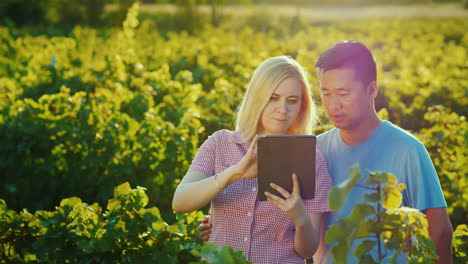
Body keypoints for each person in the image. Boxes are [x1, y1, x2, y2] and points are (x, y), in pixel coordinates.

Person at [198, 41, 453, 264]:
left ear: (372, 90)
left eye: (343, 93)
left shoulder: (408, 150)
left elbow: (439, 231)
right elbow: (283, 218)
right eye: (325, 93)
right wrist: (221, 225)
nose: (333, 104)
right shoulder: (311, 150)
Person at [172, 56, 334, 264]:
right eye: (273, 98)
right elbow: (180, 201)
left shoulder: (311, 160)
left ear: (302, 106)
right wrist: (234, 174)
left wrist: (300, 218)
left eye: (292, 101)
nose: (283, 109)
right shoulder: (220, 143)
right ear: (257, 97)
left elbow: (306, 251)